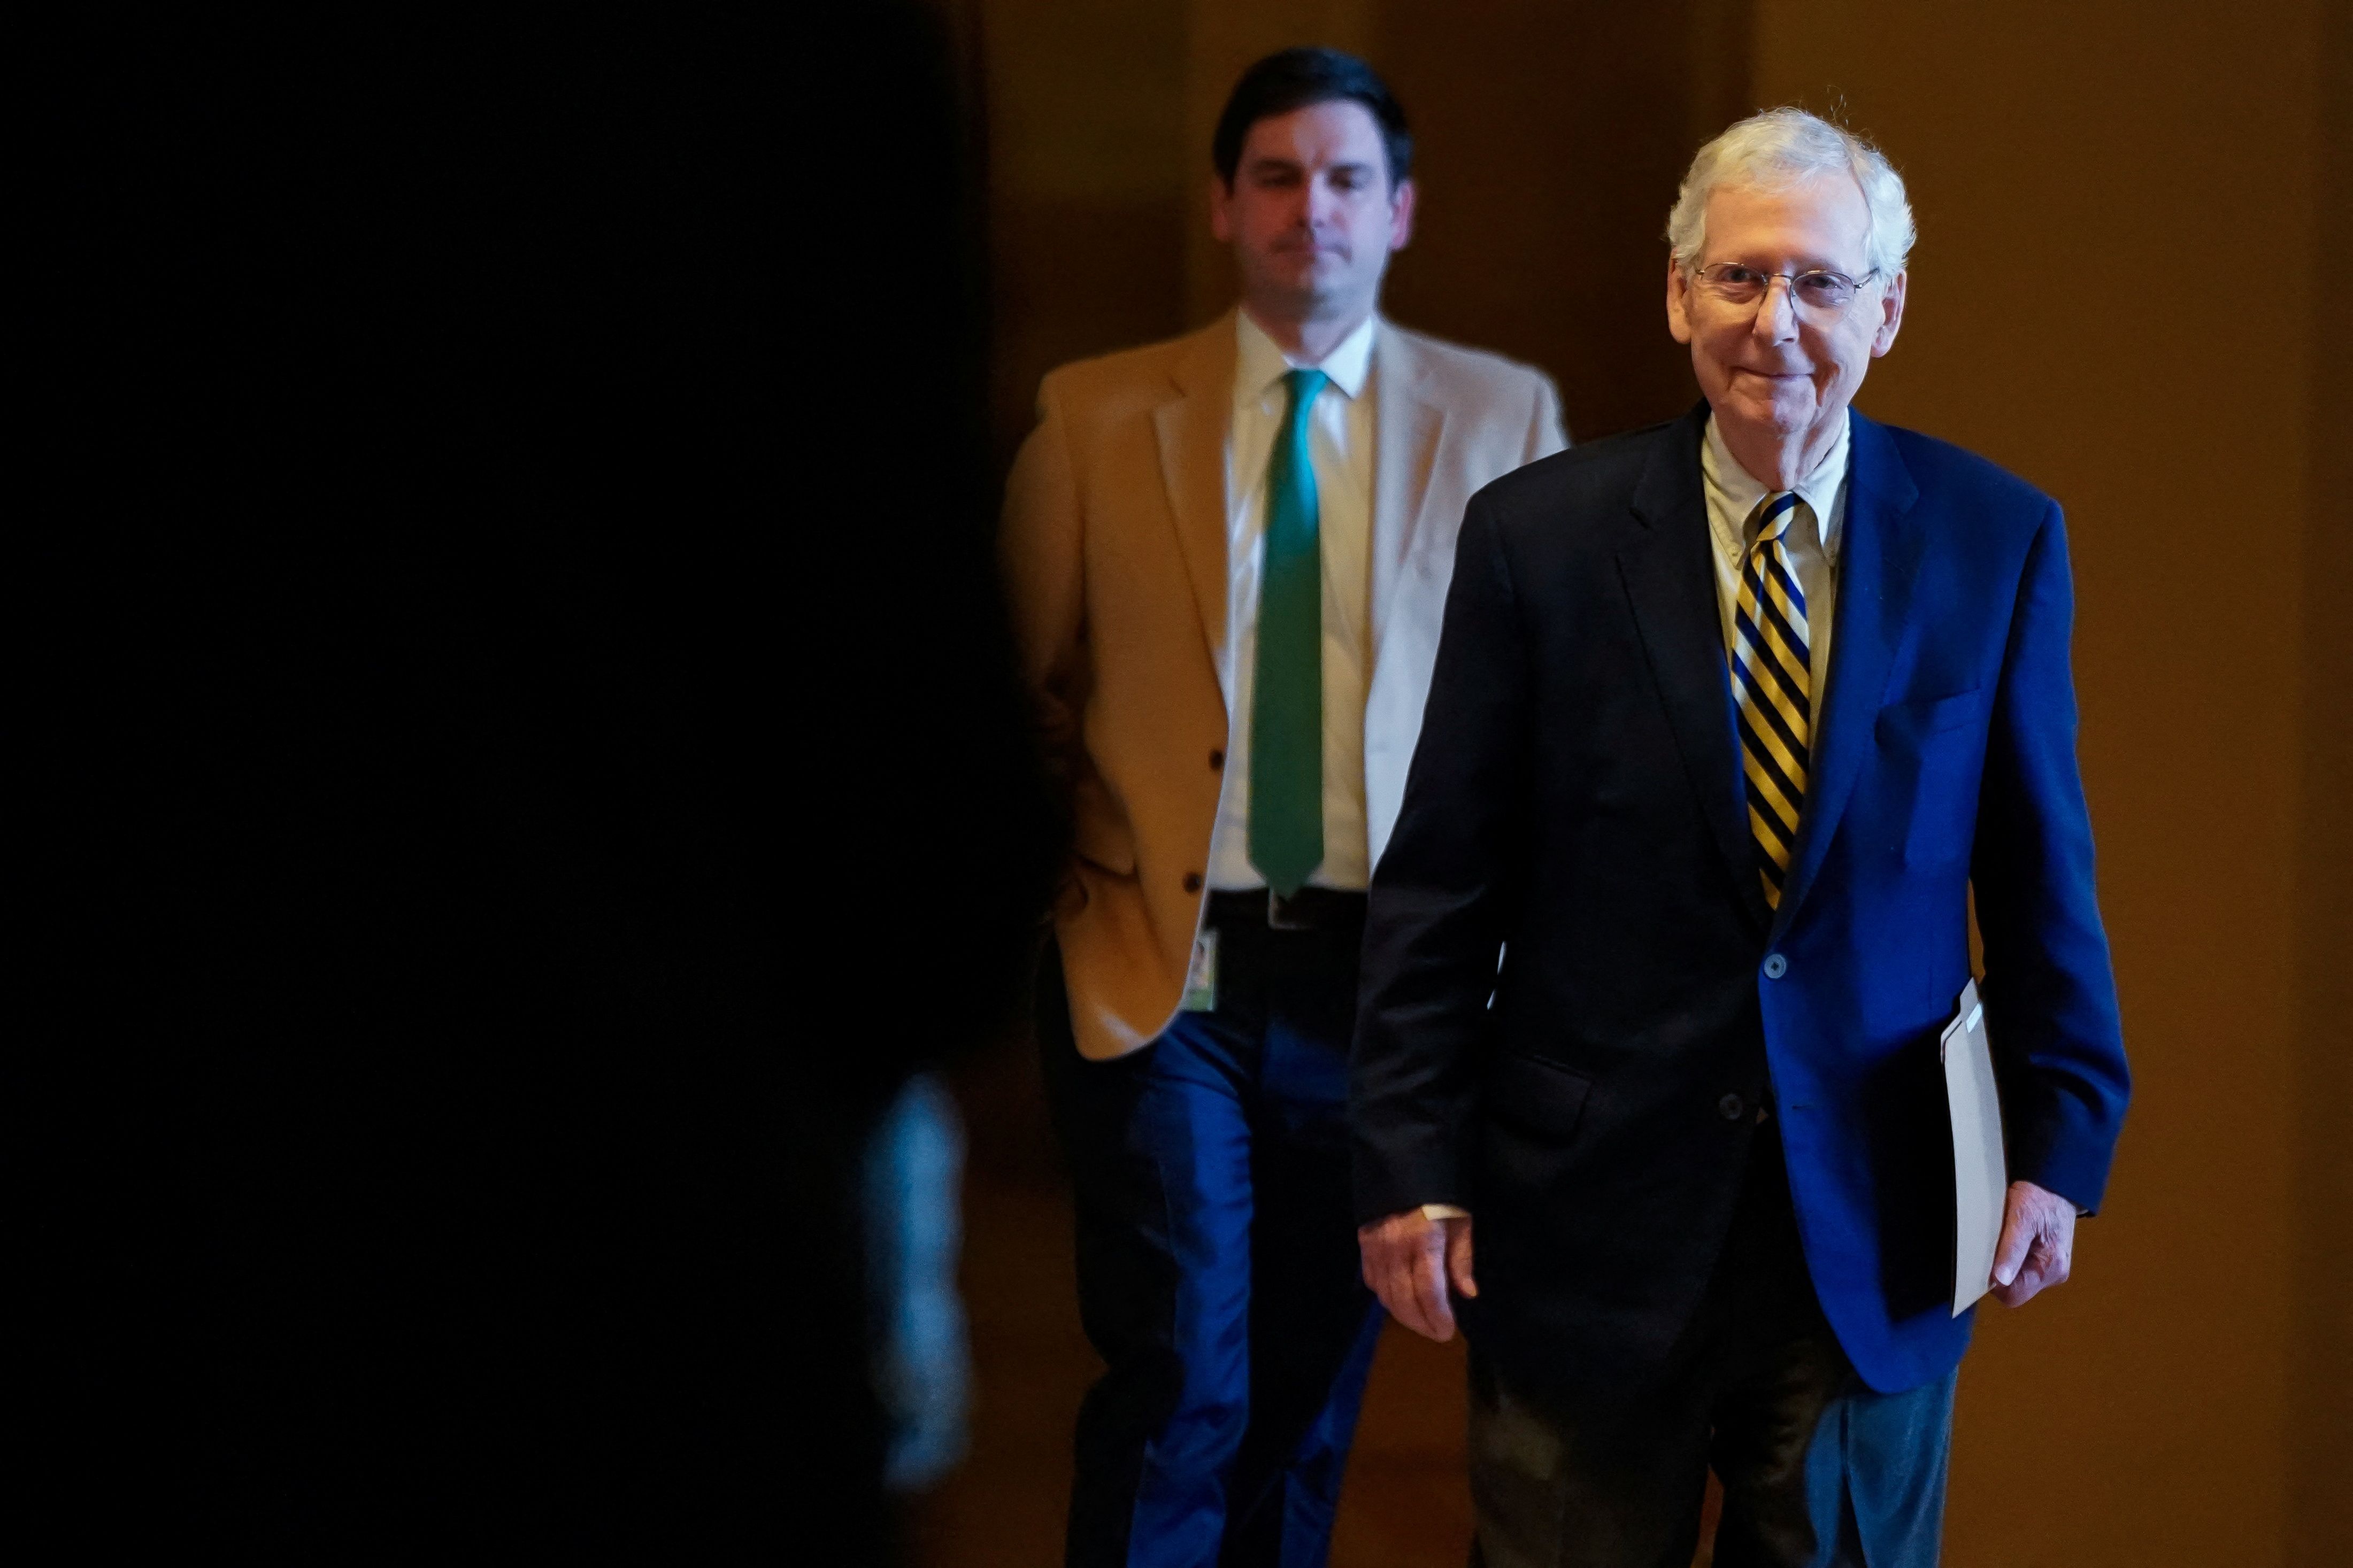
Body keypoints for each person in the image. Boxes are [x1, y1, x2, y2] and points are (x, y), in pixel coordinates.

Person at [1351, 107, 2132, 1567]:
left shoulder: (1995, 538)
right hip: (1588, 1217)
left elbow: (2040, 874)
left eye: (1822, 283)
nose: (1777, 322)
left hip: (1883, 1218)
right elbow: (1444, 883)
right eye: (1738, 278)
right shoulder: (1539, 539)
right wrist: (1407, 1155)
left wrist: (2061, 1137)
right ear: (1677, 296)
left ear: (1887, 309)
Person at [1001, 45, 1567, 1568]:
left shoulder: (1508, 419)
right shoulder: (1097, 417)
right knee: (1184, 1367)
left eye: (1344, 180)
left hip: (1384, 997)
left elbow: (1557, 725)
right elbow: (1022, 695)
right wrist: (1073, 887)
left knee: (1312, 1406)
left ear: (1400, 214)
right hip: (1160, 974)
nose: (1308, 207)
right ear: (1221, 206)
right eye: (1275, 177)